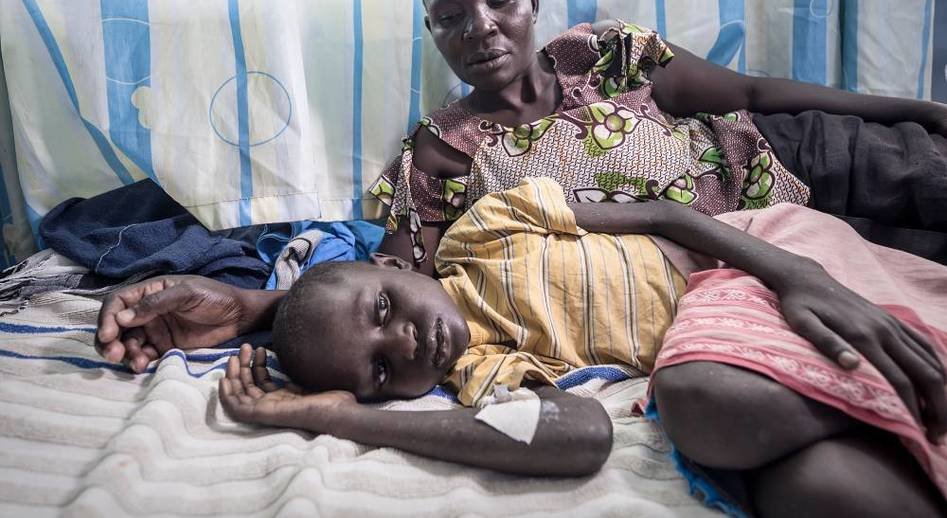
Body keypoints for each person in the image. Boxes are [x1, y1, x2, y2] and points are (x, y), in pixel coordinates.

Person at [98, 178, 947, 516]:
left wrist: (793, 272)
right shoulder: (483, 372)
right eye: (382, 370)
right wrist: (334, 416)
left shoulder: (485, 226)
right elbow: (582, 432)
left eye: (385, 307)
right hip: (724, 341)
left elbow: (665, 214)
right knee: (818, 492)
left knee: (701, 403)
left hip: (749, 261)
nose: (407, 342)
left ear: (394, 264)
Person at [368, 0, 947, 275]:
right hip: (757, 255)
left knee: (932, 178)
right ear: (432, 30)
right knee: (919, 271)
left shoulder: (605, 54)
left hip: (793, 154)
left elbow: (751, 91)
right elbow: (399, 280)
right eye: (451, 16)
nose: (480, 27)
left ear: (533, 2)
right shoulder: (440, 151)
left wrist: (922, 110)